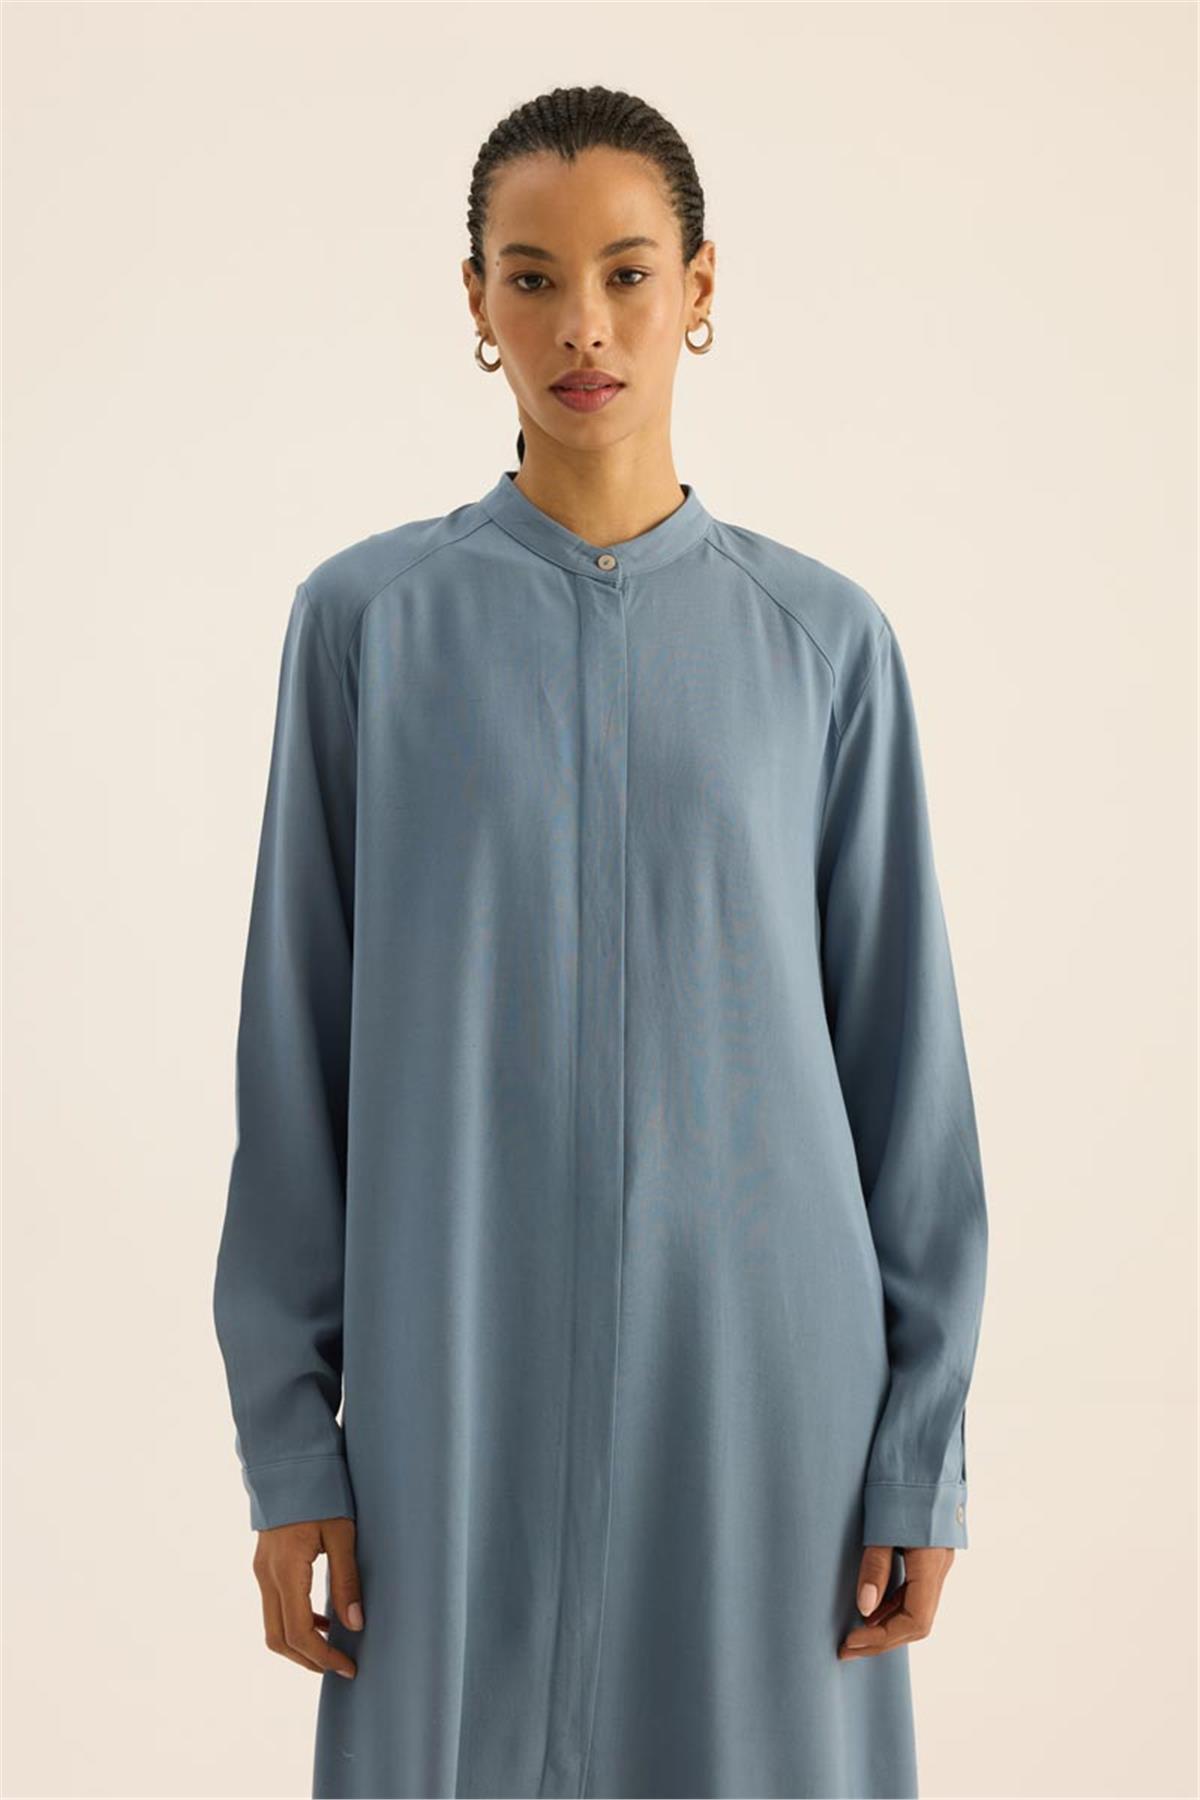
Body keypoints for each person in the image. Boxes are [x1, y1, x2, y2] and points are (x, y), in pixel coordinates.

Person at [213, 82, 989, 1800]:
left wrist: (918, 1455)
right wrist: (291, 1447)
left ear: (700, 288)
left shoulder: (825, 645)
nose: (584, 325)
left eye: (629, 274)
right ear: (474, 300)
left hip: (766, 1401)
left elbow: (907, 1081)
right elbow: (294, 1063)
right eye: (534, 276)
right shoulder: (367, 628)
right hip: (449, 1379)